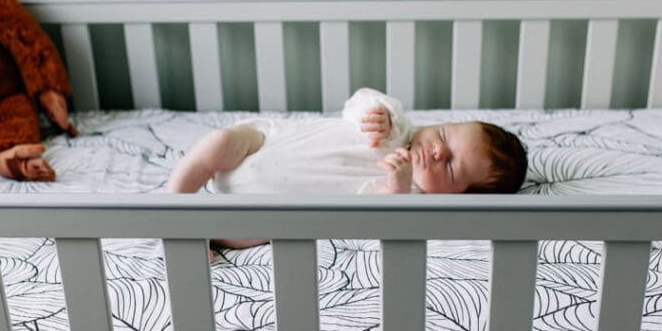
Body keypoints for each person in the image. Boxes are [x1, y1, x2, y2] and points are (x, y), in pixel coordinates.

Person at [166, 88, 527, 197]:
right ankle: (175, 205)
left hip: (268, 202)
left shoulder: (412, 198)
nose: (436, 150)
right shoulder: (398, 124)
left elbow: (380, 220)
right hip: (262, 145)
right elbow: (359, 103)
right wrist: (376, 113)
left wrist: (398, 189)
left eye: (449, 165)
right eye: (445, 136)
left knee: (259, 233)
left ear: (457, 197)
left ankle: (209, 236)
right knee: (218, 142)